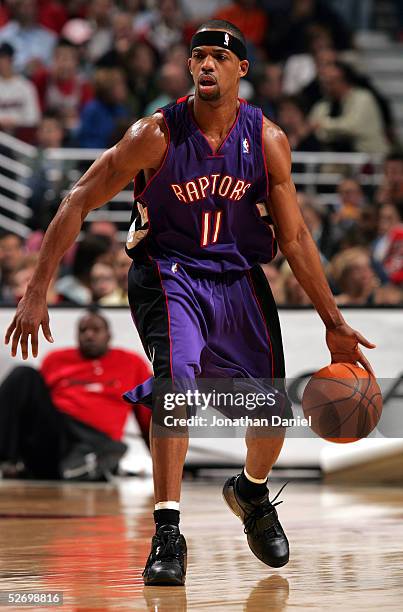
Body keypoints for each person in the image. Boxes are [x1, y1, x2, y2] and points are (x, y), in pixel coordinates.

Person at [5, 19, 375, 586]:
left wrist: (334, 322)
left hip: (239, 277)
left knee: (268, 414)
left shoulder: (267, 140)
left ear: (241, 70)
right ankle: (168, 531)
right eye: (198, 56)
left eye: (218, 58)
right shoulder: (156, 135)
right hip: (167, 270)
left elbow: (296, 238)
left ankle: (249, 493)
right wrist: (35, 290)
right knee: (175, 382)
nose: (206, 65)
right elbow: (79, 198)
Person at [0, 309, 151, 480]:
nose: (89, 335)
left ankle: (85, 463)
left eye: (95, 330)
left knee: (111, 447)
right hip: (57, 435)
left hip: (97, 440)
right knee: (23, 374)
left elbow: (148, 419)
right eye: (83, 330)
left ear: (109, 335)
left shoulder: (132, 363)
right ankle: (6, 459)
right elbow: (36, 406)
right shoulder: (56, 359)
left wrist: (165, 466)